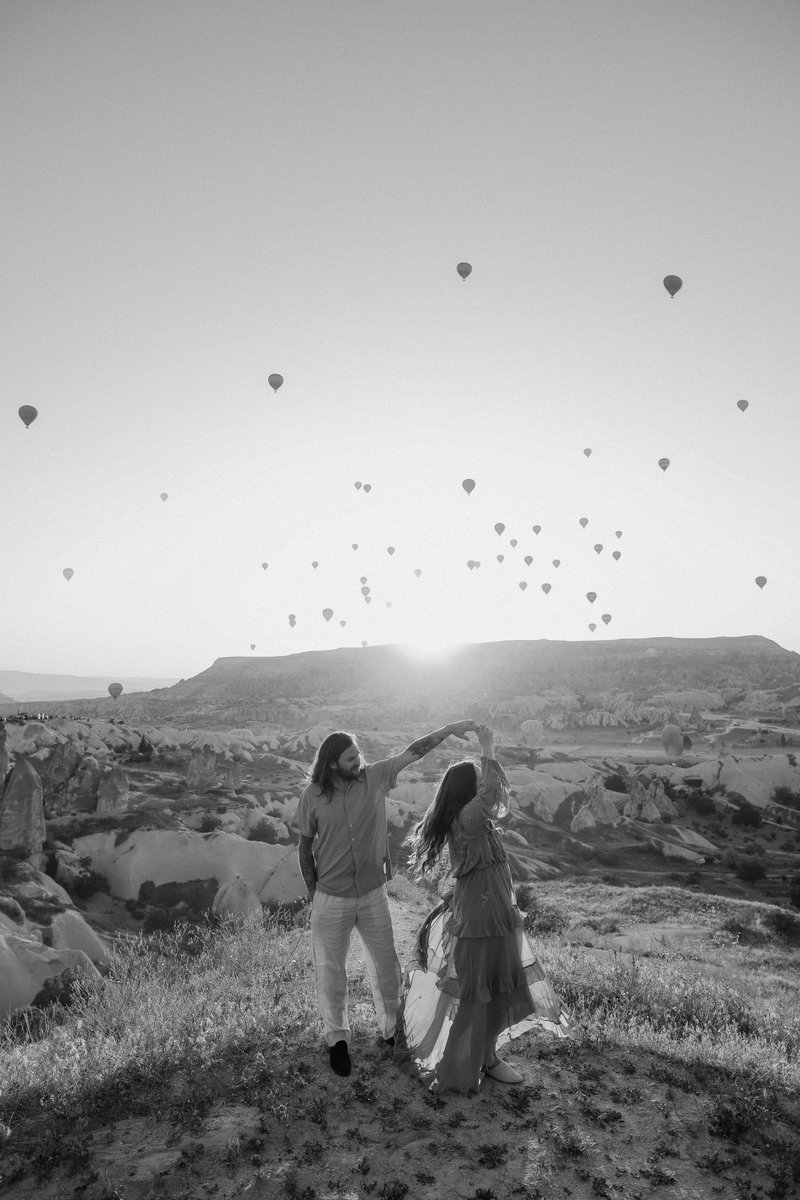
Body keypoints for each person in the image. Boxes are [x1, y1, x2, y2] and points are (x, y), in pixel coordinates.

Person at [394, 724, 571, 1095]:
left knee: (494, 984)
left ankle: (487, 1055)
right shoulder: (468, 819)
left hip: (495, 916)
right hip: (480, 920)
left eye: (481, 779)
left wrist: (485, 757)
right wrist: (487, 747)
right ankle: (474, 1062)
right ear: (467, 792)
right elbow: (492, 794)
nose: (482, 785)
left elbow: (494, 795)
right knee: (479, 990)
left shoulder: (476, 822)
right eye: (476, 781)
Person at [295, 720, 479, 1077]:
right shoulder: (312, 796)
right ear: (332, 763)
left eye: (359, 754)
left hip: (372, 893)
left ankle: (391, 1031)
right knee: (331, 971)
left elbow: (414, 750)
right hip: (330, 897)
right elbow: (304, 846)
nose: (358, 761)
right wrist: (313, 892)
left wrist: (449, 729)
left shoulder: (374, 777)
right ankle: (338, 1040)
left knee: (386, 965)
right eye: (351, 758)